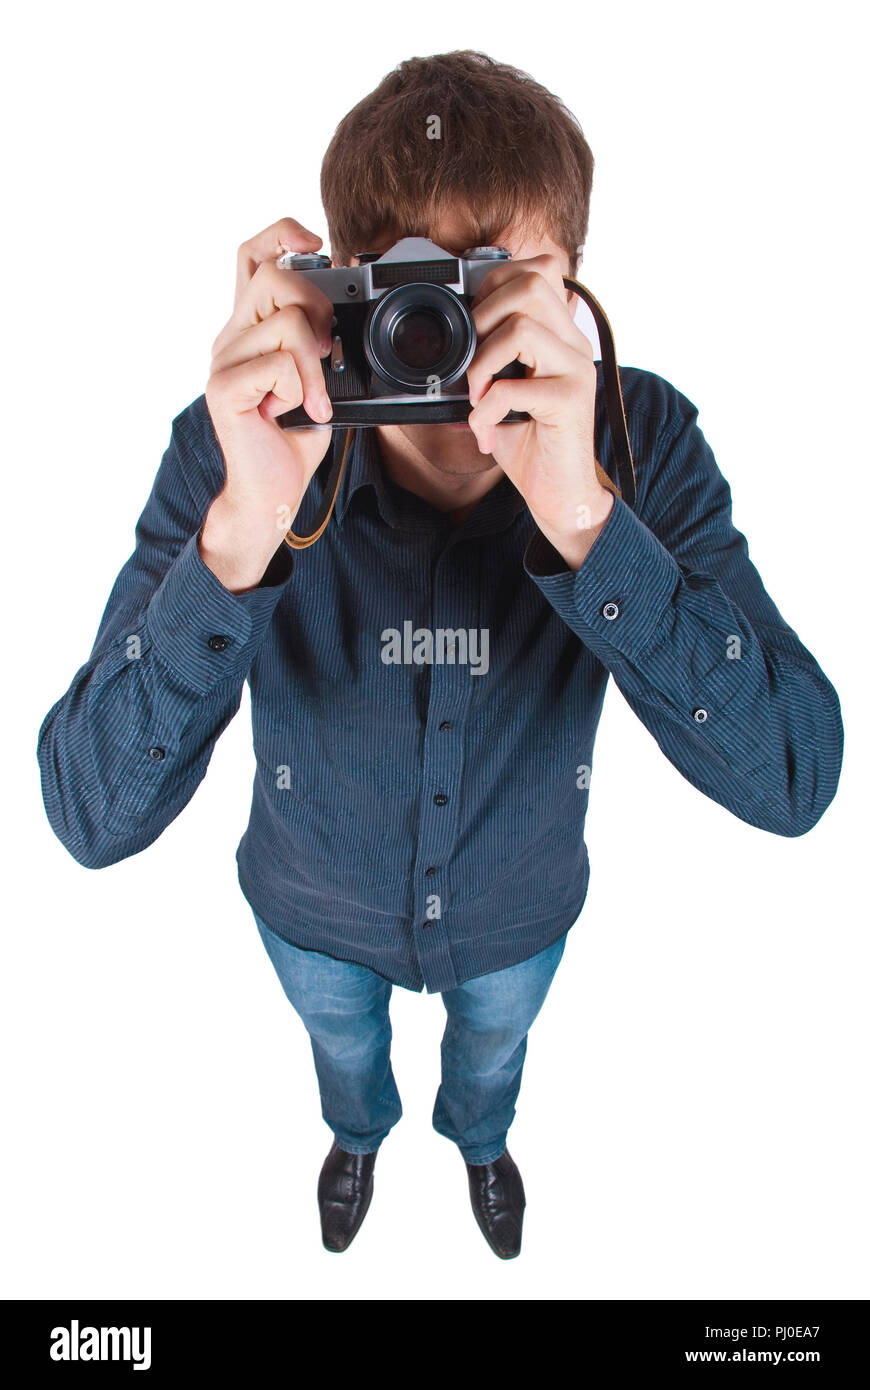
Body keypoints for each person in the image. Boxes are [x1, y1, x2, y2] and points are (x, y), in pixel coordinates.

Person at [36, 50, 844, 1260]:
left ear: (569, 290)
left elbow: (794, 774)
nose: (439, 336)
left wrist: (588, 521)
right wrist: (244, 528)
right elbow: (88, 813)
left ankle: (480, 1142)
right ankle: (355, 1138)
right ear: (337, 293)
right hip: (313, 908)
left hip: (517, 910)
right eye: (412, 295)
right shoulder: (242, 444)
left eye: (486, 287)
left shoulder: (640, 433)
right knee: (344, 1053)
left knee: (493, 1055)